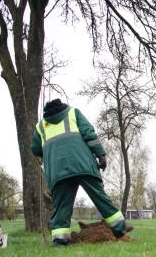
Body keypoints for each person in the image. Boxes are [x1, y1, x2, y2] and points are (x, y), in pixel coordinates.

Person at [30, 99, 132, 246]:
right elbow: (88, 133)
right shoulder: (73, 113)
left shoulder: (40, 126)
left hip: (58, 170)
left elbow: (35, 149)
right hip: (82, 163)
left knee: (61, 206)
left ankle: (60, 240)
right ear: (63, 106)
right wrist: (100, 155)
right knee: (99, 196)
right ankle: (119, 227)